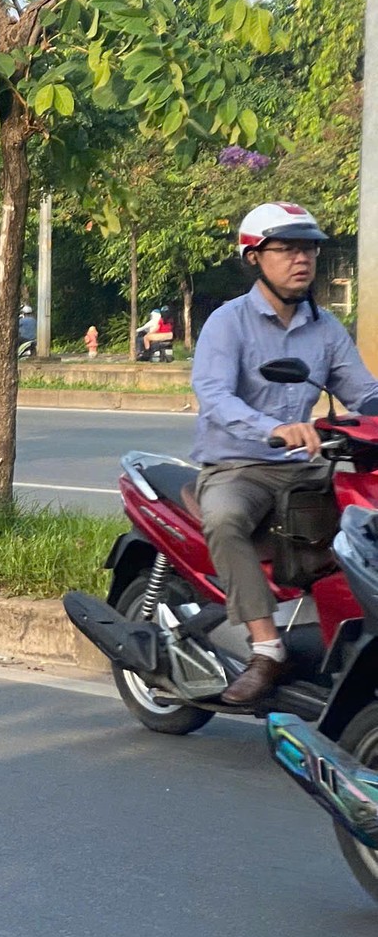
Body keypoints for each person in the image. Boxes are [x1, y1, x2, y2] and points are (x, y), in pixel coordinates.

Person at [190, 202, 378, 704]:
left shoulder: (324, 327)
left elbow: (362, 391)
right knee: (225, 519)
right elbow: (214, 395)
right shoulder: (228, 323)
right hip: (239, 465)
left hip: (306, 467)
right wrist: (274, 428)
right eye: (288, 248)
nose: (303, 259)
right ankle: (267, 647)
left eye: (310, 248)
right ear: (253, 257)